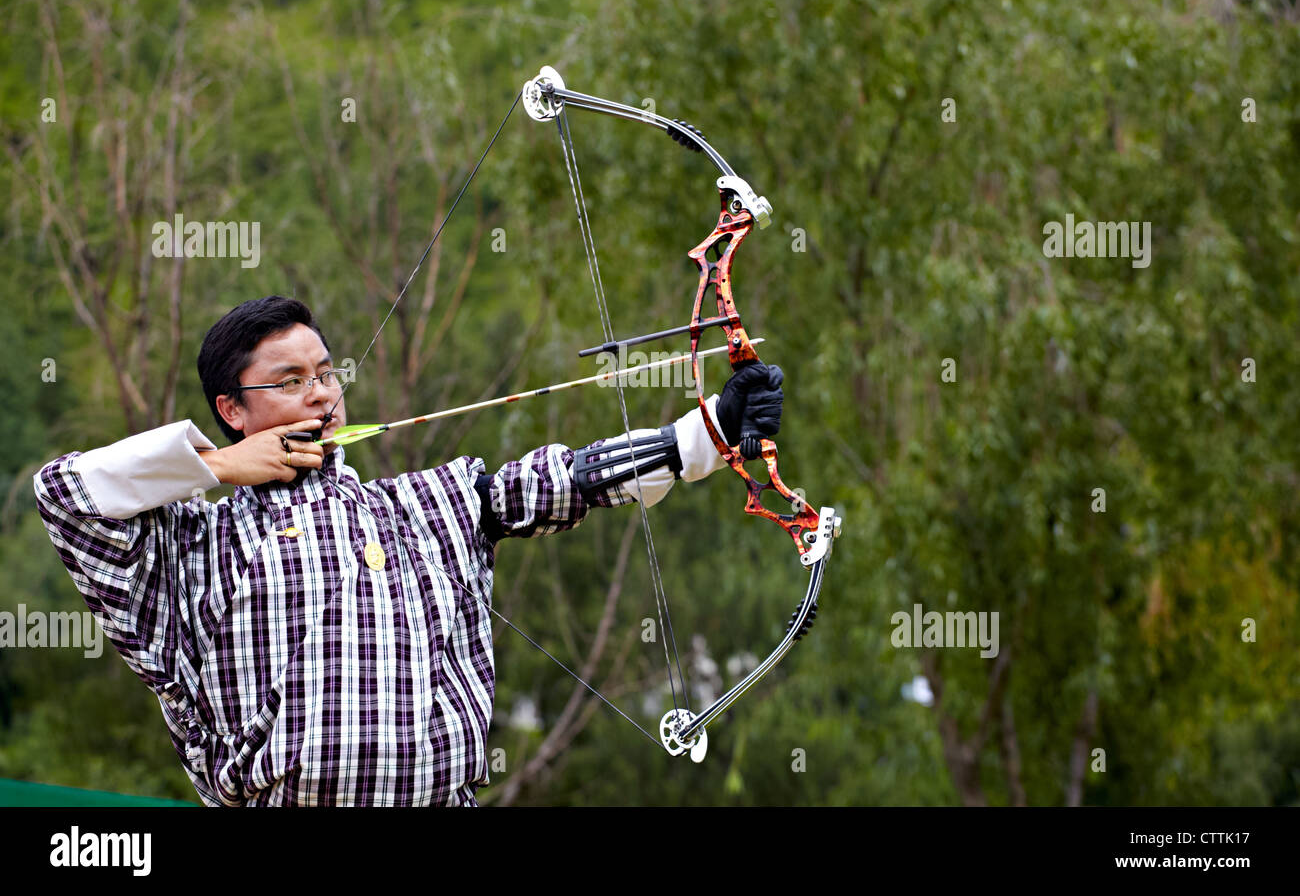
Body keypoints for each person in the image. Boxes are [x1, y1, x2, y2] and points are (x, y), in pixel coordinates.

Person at [33, 295, 784, 806]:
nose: (322, 395)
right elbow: (64, 494)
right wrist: (219, 468)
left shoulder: (420, 505)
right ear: (232, 409)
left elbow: (556, 481)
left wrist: (706, 434)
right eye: (290, 382)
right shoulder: (191, 546)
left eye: (326, 374)